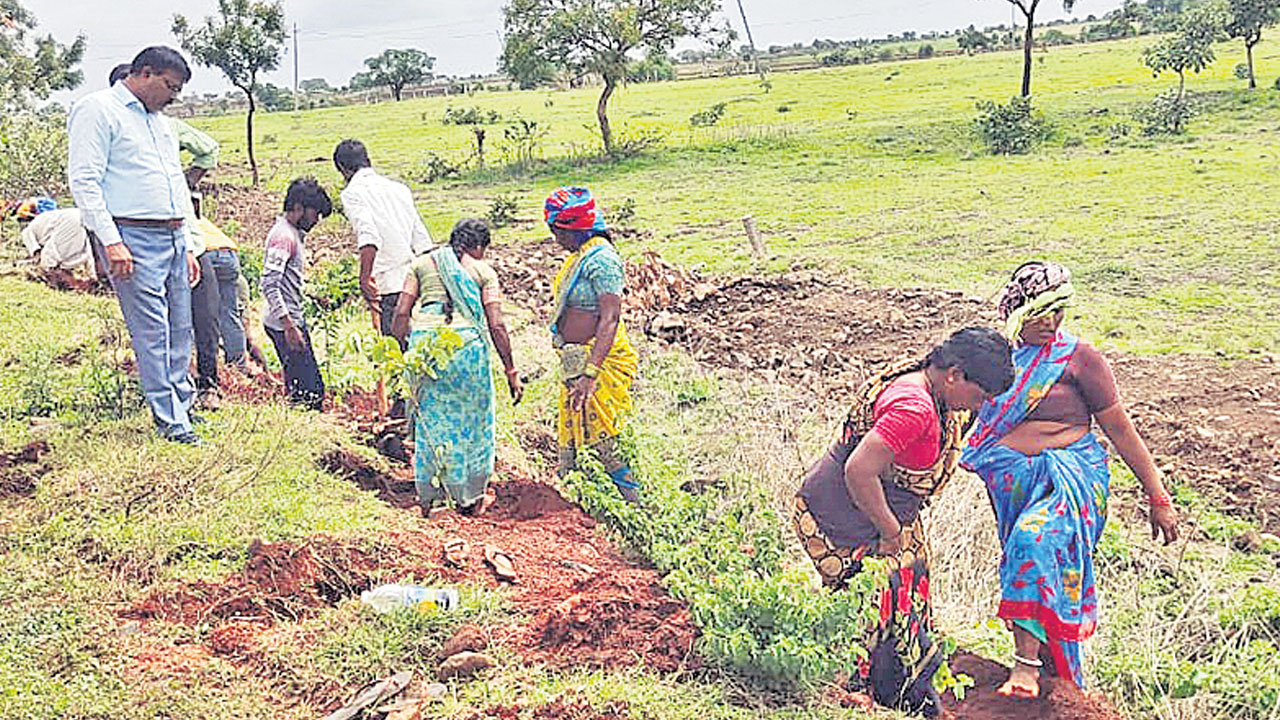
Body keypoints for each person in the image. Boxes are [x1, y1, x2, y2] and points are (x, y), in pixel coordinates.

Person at [961, 262, 1180, 699]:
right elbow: (959, 413)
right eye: (1042, 311)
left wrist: (1158, 495)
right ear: (1018, 309)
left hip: (1072, 479)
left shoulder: (1079, 358)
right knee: (1029, 565)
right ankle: (1051, 677)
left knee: (1032, 542)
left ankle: (1025, 670)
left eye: (1060, 311)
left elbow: (1120, 429)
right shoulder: (992, 359)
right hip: (1013, 486)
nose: (1052, 322)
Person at [793, 327, 1014, 716]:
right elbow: (859, 470)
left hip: (871, 511)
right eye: (979, 396)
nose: (976, 406)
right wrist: (890, 531)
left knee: (907, 594)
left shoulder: (929, 382)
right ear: (955, 374)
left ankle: (903, 689)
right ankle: (855, 695)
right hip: (844, 518)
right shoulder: (915, 408)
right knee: (869, 604)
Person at [68, 46, 201, 444]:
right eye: (170, 87)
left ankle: (184, 406)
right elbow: (85, 181)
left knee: (181, 328)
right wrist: (112, 242)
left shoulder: (159, 121)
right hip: (133, 236)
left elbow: (176, 180)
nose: (174, 96)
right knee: (152, 331)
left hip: (175, 234)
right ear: (145, 74)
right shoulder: (98, 110)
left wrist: (190, 242)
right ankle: (171, 421)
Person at [391, 218, 523, 513]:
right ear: (477, 246)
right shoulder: (483, 272)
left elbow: (401, 314)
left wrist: (405, 354)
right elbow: (497, 325)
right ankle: (472, 496)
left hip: (426, 349)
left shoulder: (420, 265)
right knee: (474, 423)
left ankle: (431, 497)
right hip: (467, 350)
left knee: (432, 424)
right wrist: (511, 370)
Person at [544, 187, 640, 502]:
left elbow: (610, 318)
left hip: (600, 365)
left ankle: (631, 505)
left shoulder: (602, 260)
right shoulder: (580, 256)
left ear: (573, 230)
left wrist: (590, 372)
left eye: (557, 231)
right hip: (577, 361)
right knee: (580, 436)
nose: (556, 239)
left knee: (606, 437)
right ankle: (587, 502)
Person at [333, 139, 432, 344]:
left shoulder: (352, 194)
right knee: (418, 341)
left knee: (395, 347)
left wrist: (365, 278)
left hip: (388, 282)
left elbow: (369, 237)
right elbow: (421, 239)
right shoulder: (399, 189)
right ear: (367, 160)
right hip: (414, 276)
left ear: (343, 169)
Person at [261, 177, 332, 411]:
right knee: (309, 391)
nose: (316, 220)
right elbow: (270, 283)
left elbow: (286, 280)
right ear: (299, 207)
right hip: (285, 324)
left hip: (290, 320)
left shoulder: (291, 234)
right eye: (315, 214)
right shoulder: (284, 237)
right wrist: (289, 326)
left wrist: (310, 294)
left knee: (303, 385)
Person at [16, 205, 103, 286]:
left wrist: (91, 278)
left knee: (50, 264)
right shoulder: (40, 231)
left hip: (76, 220)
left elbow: (47, 261)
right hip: (81, 218)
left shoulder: (34, 233)